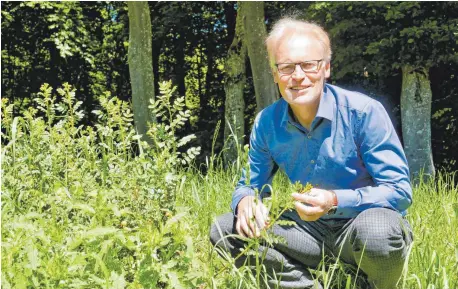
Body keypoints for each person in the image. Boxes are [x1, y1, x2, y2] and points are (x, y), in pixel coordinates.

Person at [210, 17, 413, 289]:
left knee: (377, 231)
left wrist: (333, 200)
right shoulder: (267, 123)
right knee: (225, 229)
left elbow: (399, 192)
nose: (298, 76)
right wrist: (246, 200)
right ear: (275, 74)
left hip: (361, 229)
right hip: (307, 234)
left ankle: (370, 284)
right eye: (287, 67)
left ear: (326, 68)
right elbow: (249, 184)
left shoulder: (364, 112)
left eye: (308, 64)